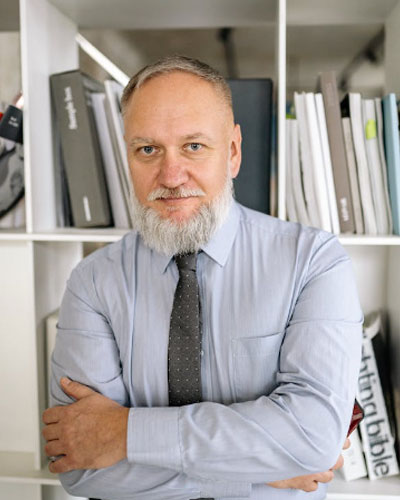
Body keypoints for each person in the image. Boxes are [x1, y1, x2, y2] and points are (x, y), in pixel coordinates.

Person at [42, 55, 362, 500]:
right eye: (148, 150)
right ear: (127, 155)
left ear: (232, 152)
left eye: (193, 146)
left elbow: (313, 438)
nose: (172, 177)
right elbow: (79, 466)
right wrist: (259, 469)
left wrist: (123, 433)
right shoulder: (93, 282)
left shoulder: (313, 262)